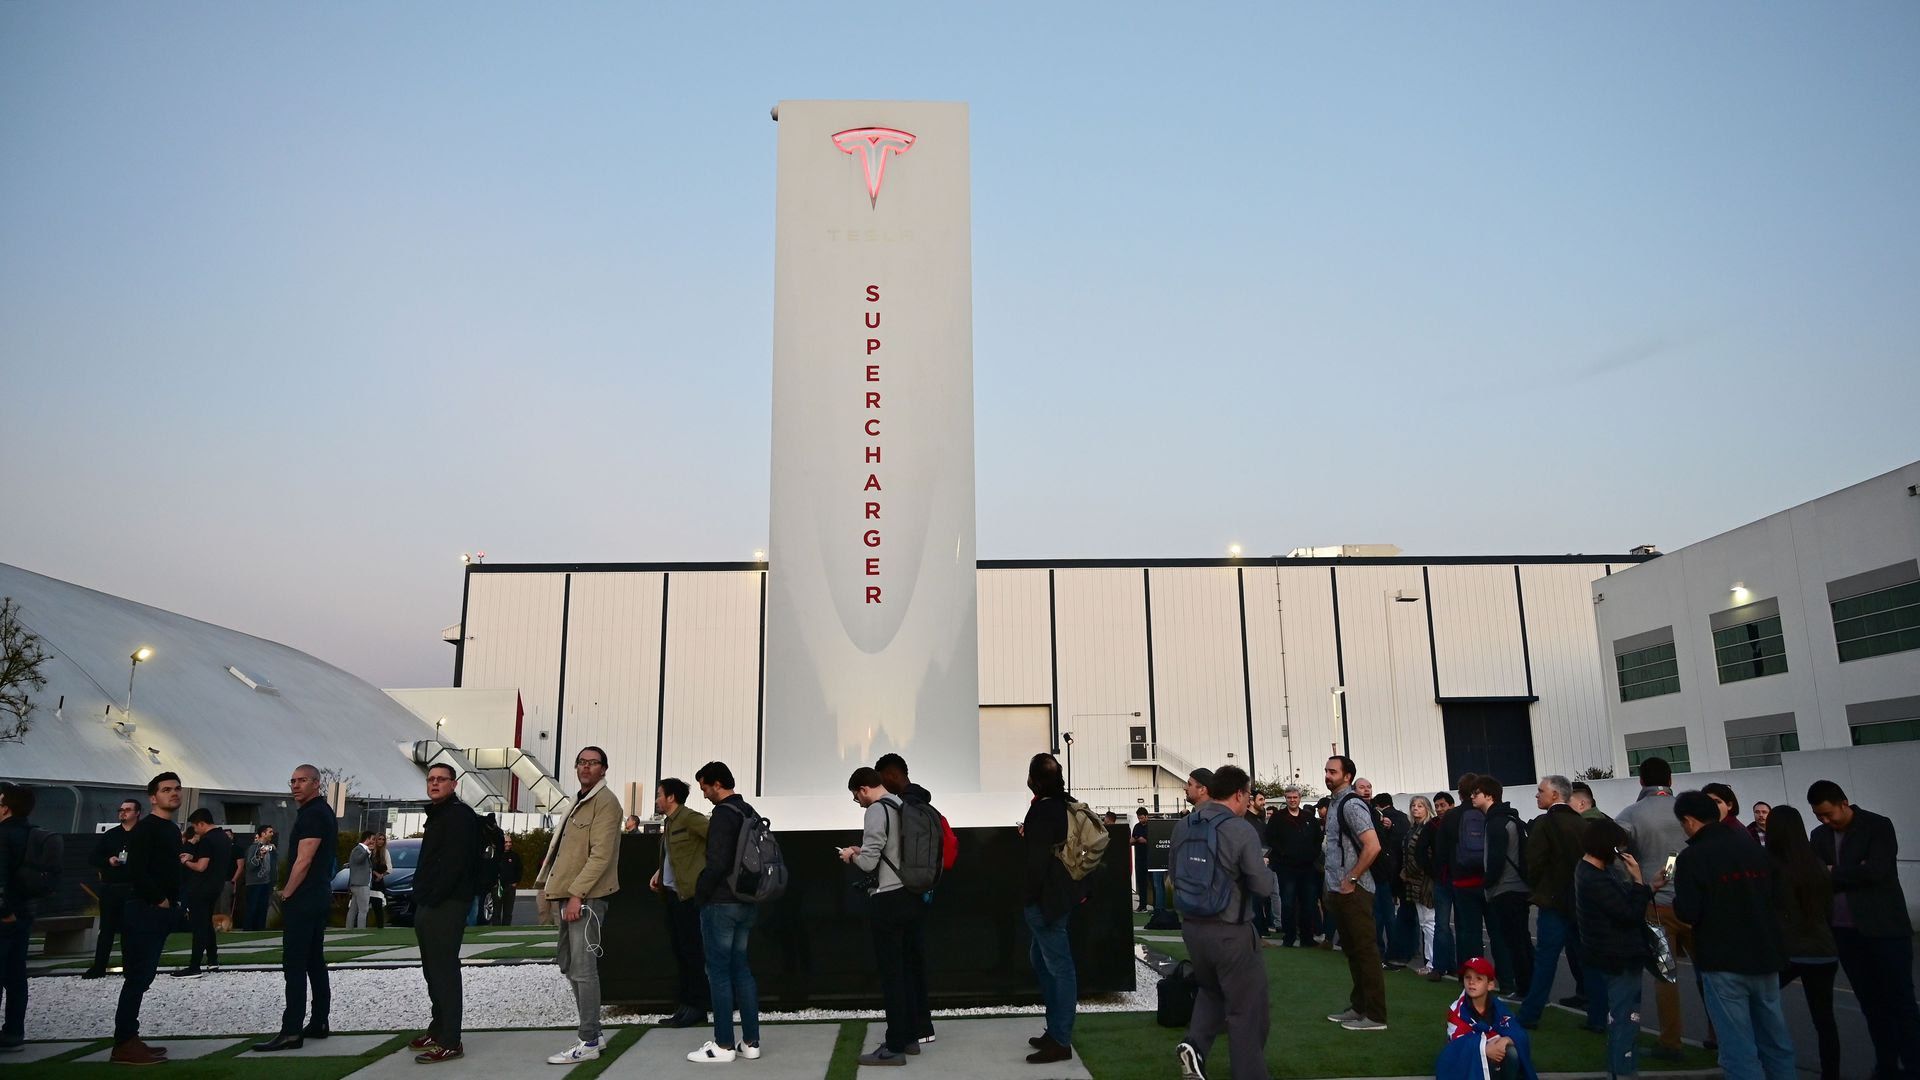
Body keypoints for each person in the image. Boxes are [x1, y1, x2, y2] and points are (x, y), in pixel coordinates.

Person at [1673, 789, 1795, 1080]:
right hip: (1765, 955)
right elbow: (1780, 899)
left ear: (1689, 820)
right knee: (1775, 1040)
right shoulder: (1753, 848)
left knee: (1737, 1048)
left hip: (1723, 959)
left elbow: (1689, 911)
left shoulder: (1692, 857)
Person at [1807, 778, 1920, 1078]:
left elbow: (1876, 872)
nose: (1825, 820)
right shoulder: (1819, 836)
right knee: (1871, 1005)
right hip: (1844, 932)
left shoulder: (1877, 826)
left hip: (1885, 929)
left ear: (1844, 803)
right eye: (1818, 815)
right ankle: (1886, 1066)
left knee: (1901, 1001)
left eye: (1828, 813)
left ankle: (1914, 1066)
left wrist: (1833, 872)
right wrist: (1851, 871)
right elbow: (1815, 876)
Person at [1171, 765, 1273, 1080]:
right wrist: (1266, 871)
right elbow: (1262, 887)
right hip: (1230, 929)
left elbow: (1173, 876)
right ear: (1239, 794)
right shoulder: (1240, 829)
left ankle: (1194, 1047)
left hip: (1192, 927)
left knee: (1211, 990)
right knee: (1246, 1009)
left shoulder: (1184, 825)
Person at [538, 746, 622, 1066]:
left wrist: (577, 895)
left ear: (604, 769)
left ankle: (588, 1039)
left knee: (584, 970)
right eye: (582, 762)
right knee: (568, 963)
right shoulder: (578, 799)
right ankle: (594, 1032)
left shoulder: (606, 802)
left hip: (586, 898)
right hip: (566, 893)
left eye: (593, 763)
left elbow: (601, 855)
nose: (586, 767)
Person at [1612, 756, 1693, 1061]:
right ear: (1670, 780)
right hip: (1695, 903)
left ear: (1641, 781)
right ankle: (1720, 1036)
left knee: (1665, 976)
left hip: (1655, 905)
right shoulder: (1687, 810)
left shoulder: (1632, 813)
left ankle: (1671, 1042)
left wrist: (1633, 882)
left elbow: (1615, 850)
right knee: (1712, 974)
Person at [254, 764, 338, 1053]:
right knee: (314, 960)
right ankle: (319, 1021)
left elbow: (304, 859)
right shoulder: (319, 812)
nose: (296, 785)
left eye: (302, 780)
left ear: (316, 783)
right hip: (317, 895)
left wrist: (287, 892)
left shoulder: (314, 814)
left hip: (306, 897)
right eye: (292, 781)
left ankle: (291, 1030)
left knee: (295, 964)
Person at [842, 767, 920, 1066]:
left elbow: (868, 863)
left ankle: (894, 1046)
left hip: (887, 898)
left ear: (864, 789)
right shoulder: (901, 804)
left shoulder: (876, 810)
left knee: (891, 975)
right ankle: (910, 1037)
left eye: (856, 796)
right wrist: (864, 851)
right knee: (907, 971)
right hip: (909, 894)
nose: (858, 802)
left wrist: (852, 855)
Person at [690, 761, 763, 1064]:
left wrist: (700, 894)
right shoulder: (748, 811)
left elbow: (717, 863)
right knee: (741, 970)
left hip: (721, 902)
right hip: (747, 900)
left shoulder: (722, 814)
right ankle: (751, 1042)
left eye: (705, 787)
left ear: (717, 784)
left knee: (718, 972)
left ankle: (723, 1044)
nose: (704, 793)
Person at [407, 762, 479, 1064]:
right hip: (430, 902)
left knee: (444, 970)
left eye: (441, 779)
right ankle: (438, 1029)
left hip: (448, 903)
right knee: (431, 969)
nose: (434, 783)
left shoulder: (459, 815)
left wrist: (433, 896)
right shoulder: (438, 814)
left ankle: (451, 1040)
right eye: (431, 779)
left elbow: (454, 864)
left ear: (454, 783)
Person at [112, 772, 185, 1064]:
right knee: (137, 976)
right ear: (153, 797)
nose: (174, 793)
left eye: (177, 788)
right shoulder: (146, 829)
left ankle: (130, 1037)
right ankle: (124, 1042)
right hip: (144, 909)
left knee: (144, 976)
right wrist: (159, 899)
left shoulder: (170, 829)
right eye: (166, 789)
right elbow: (136, 870)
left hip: (160, 910)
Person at [1574, 818, 1654, 1079]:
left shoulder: (1591, 870)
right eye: (1618, 847)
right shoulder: (1595, 877)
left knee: (1623, 1015)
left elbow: (1620, 901)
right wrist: (1639, 881)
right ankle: (1621, 1070)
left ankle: (1622, 1067)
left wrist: (1647, 888)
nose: (1621, 853)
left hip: (1609, 953)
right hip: (1619, 955)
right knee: (1625, 1017)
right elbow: (1628, 914)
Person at [1765, 806, 1839, 1080]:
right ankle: (1831, 1073)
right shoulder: (1815, 864)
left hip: (1789, 950)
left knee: (1762, 1005)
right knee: (1824, 1019)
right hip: (1822, 950)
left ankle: (1773, 1065)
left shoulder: (1771, 866)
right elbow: (1828, 909)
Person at [1022, 752, 1082, 1063]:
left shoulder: (1042, 811)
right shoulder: (1064, 806)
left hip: (1046, 901)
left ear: (1035, 780)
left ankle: (1060, 1039)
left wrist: (1029, 897)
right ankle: (1055, 1030)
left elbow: (1037, 862)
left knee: (1058, 967)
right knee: (1045, 961)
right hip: (1060, 897)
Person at [875, 752, 937, 1046]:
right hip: (922, 890)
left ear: (891, 775)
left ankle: (906, 1031)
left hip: (900, 892)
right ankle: (923, 1026)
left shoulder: (901, 807)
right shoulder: (925, 804)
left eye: (881, 779)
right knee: (916, 962)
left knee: (900, 966)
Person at [1518, 775, 1589, 1029]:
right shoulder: (1582, 824)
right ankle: (1598, 1015)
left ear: (1555, 795)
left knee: (1546, 960)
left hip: (1553, 900)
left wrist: (1538, 887)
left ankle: (1530, 1014)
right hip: (1580, 900)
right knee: (1587, 960)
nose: (1537, 795)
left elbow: (1533, 861)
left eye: (1541, 791)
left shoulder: (1545, 823)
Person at [1323, 754, 1387, 1031]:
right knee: (1352, 951)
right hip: (1340, 889)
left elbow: (1373, 846)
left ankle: (1375, 1016)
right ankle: (1359, 1007)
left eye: (1333, 771)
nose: (1327, 775)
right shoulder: (1336, 803)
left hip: (1355, 890)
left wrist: (1351, 878)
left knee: (1365, 952)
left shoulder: (1351, 805)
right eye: (1326, 771)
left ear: (1347, 776)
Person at [651, 777, 710, 1030]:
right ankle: (685, 1006)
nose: (657, 800)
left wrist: (704, 875)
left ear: (671, 797)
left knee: (692, 954)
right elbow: (675, 855)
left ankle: (697, 1007)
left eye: (659, 794)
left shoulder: (689, 818)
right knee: (681, 953)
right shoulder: (669, 822)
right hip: (672, 897)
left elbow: (716, 840)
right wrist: (660, 872)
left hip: (689, 898)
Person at [1436, 957, 1539, 1080]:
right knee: (1474, 1055)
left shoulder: (1498, 1007)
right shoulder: (1456, 1010)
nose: (1471, 982)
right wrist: (1484, 1049)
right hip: (1468, 1062)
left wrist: (1505, 1040)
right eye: (1468, 977)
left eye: (1478, 978)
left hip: (1495, 1054)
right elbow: (1457, 1045)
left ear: (1490, 985)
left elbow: (1518, 1032)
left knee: (1512, 1052)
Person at [0, 784, 45, 1051]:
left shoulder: (3, 835)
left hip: (6, 913)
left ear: (6, 808)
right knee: (16, 975)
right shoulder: (34, 834)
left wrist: (4, 912)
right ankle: (14, 1032)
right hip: (25, 911)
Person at [84, 798, 142, 978]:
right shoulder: (111, 835)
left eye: (127, 809)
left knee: (130, 929)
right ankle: (99, 966)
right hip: (111, 886)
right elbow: (93, 857)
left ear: (137, 813)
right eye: (121, 809)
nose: (123, 812)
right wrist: (108, 860)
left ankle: (130, 966)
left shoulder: (143, 834)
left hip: (133, 887)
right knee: (107, 929)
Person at [173, 807, 231, 978]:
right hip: (216, 886)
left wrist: (186, 862)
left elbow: (201, 867)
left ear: (201, 823)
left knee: (199, 926)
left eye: (195, 826)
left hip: (201, 887)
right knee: (206, 924)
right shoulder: (223, 837)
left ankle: (194, 966)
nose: (195, 830)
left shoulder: (207, 840)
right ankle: (212, 960)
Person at [1266, 786, 1320, 947]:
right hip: (1286, 868)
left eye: (1295, 797)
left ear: (1299, 798)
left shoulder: (1309, 818)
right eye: (1289, 797)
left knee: (1308, 903)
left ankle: (1307, 937)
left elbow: (1317, 838)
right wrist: (1283, 853)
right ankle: (1289, 936)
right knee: (1288, 903)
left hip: (1307, 867)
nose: (1292, 800)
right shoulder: (1277, 818)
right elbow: (1270, 838)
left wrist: (1312, 854)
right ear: (1285, 798)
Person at [1421, 790, 1460, 981]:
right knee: (1441, 924)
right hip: (1443, 879)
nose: (1439, 809)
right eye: (1436, 806)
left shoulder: (1458, 821)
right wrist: (1433, 871)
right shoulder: (1432, 825)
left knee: (1456, 925)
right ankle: (1440, 966)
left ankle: (1453, 965)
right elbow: (1420, 851)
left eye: (1442, 805)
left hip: (1458, 878)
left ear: (1451, 805)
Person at [1398, 795, 1437, 975]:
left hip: (1425, 880)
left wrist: (1409, 870)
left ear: (1427, 808)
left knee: (1429, 922)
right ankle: (1430, 960)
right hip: (1414, 881)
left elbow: (1425, 855)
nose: (1416, 808)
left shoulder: (1428, 828)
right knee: (1424, 922)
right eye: (1413, 805)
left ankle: (1433, 962)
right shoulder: (1413, 828)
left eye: (1420, 806)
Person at [1370, 792, 1408, 965]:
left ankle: (1381, 950)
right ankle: (1397, 951)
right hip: (1396, 871)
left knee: (1379, 914)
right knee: (1395, 915)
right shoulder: (1403, 818)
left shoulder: (1379, 817)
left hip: (1380, 870)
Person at [1244, 792, 1275, 937]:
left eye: (1264, 799)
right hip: (1251, 864)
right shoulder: (1245, 819)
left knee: (1263, 898)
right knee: (1254, 899)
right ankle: (1256, 931)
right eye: (1261, 799)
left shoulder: (1260, 820)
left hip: (1263, 863)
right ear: (1251, 801)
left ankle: (1262, 928)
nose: (1264, 802)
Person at [346, 831, 378, 929]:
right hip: (361, 884)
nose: (374, 842)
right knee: (363, 910)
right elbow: (358, 860)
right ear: (367, 839)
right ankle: (361, 929)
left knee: (353, 909)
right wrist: (368, 851)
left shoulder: (361, 850)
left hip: (359, 884)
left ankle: (349, 928)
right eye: (372, 839)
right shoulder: (358, 849)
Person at [1131, 807, 1154, 912]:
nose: (1140, 820)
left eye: (1142, 818)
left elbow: (1155, 842)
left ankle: (1156, 906)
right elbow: (1133, 838)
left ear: (1146, 816)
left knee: (1153, 883)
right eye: (1139, 818)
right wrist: (1133, 840)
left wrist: (1145, 841)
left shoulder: (1152, 826)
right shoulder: (1137, 827)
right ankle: (1142, 905)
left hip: (1150, 859)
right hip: (1139, 859)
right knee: (1141, 883)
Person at [495, 834, 522, 925]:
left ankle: (506, 929)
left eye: (510, 842)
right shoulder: (496, 855)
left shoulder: (515, 856)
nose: (508, 844)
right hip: (498, 887)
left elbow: (519, 870)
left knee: (508, 912)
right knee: (496, 911)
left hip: (510, 887)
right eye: (506, 842)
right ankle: (495, 929)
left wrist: (516, 882)